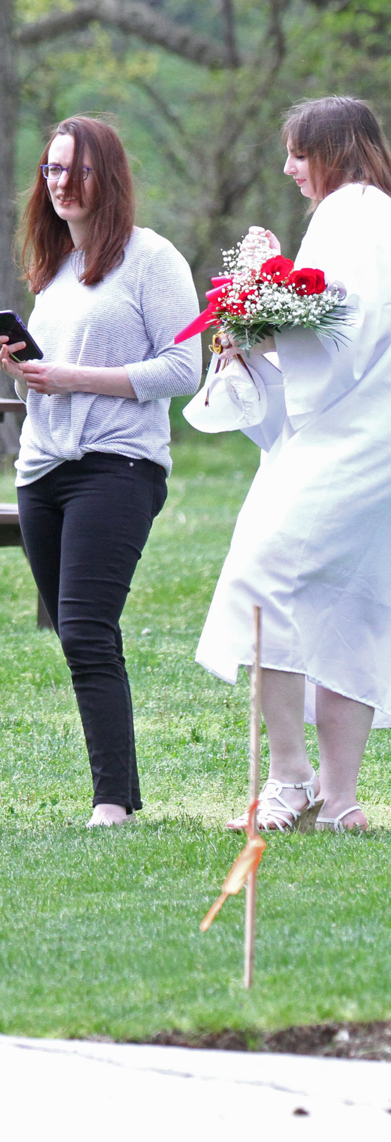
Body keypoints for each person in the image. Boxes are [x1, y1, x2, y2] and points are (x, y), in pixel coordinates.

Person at [0, 117, 200, 826]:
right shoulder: (52, 274)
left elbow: (183, 367)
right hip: (41, 470)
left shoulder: (152, 259)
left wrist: (73, 376)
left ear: (106, 178)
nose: (60, 184)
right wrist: (25, 374)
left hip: (119, 466)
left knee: (84, 628)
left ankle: (109, 803)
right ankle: (124, 792)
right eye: (51, 170)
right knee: (81, 632)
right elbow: (49, 384)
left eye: (75, 171)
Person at [195, 96, 391, 833]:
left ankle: (290, 777)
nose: (288, 168)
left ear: (335, 150)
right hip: (364, 433)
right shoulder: (370, 213)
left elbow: (341, 331)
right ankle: (340, 801)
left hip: (355, 437)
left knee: (261, 577)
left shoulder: (355, 214)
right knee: (355, 603)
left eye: (298, 153)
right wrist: (259, 317)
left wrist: (258, 315)